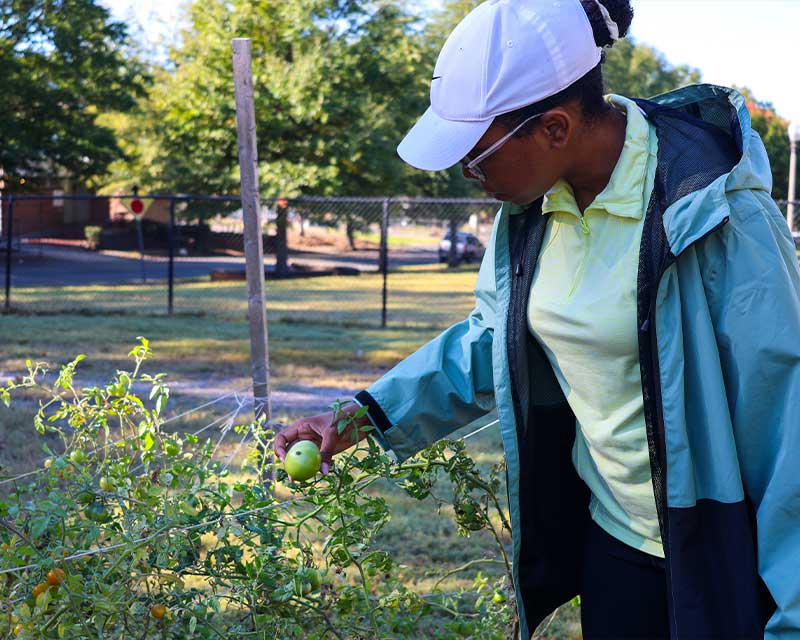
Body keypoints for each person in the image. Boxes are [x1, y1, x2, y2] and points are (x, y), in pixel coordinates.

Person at [275, 0, 800, 637]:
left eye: (478, 156)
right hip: (616, 544)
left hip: (718, 547)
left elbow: (788, 418)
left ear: (554, 128)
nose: (469, 175)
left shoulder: (719, 214)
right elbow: (493, 340)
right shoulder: (531, 213)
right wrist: (358, 417)